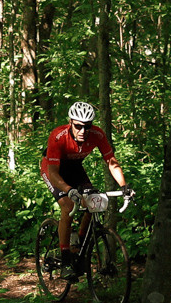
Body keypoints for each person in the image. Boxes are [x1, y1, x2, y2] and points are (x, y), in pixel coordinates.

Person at [41, 101, 125, 275]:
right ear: (70, 122)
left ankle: (79, 243)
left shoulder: (97, 135)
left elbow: (111, 162)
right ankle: (65, 260)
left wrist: (125, 186)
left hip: (74, 168)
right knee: (68, 205)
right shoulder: (58, 136)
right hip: (53, 170)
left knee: (93, 202)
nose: (83, 131)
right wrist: (68, 190)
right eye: (78, 126)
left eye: (87, 127)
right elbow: (54, 173)